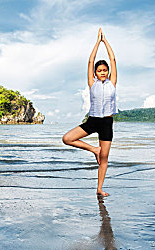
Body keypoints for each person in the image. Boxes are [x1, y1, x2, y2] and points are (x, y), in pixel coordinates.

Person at [62, 28, 117, 197]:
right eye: (99, 70)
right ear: (94, 73)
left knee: (105, 159)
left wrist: (105, 41)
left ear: (108, 72)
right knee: (67, 138)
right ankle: (94, 150)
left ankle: (99, 188)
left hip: (107, 123)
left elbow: (113, 59)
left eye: (105, 70)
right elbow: (90, 60)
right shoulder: (92, 83)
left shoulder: (112, 83)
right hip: (92, 121)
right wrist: (96, 42)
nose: (103, 72)